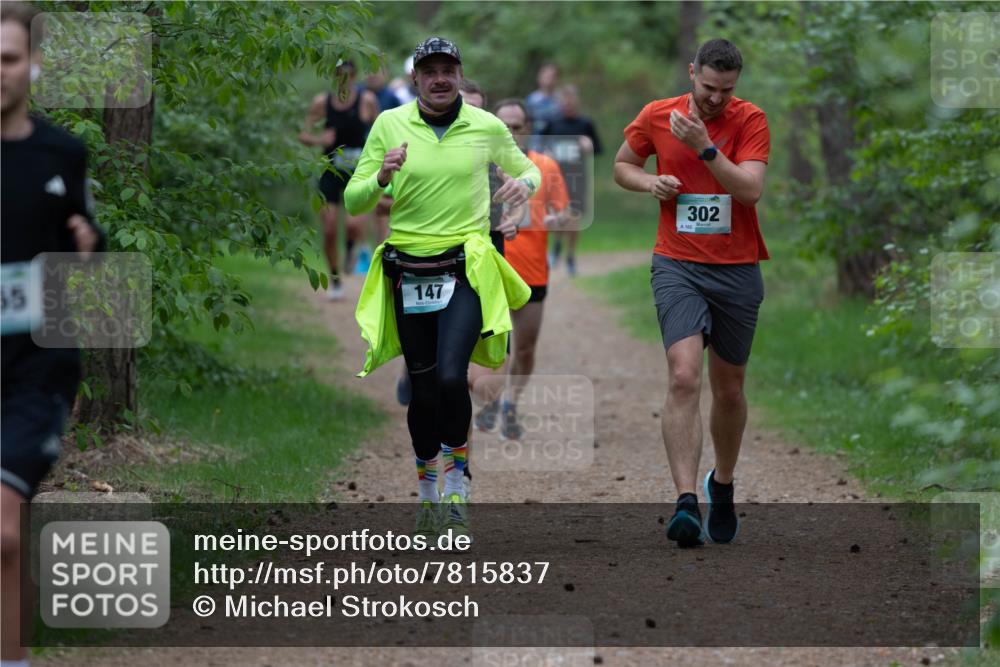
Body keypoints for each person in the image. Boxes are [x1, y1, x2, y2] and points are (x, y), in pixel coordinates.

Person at [346, 38, 540, 540]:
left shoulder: (486, 126)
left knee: (454, 377)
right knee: (424, 386)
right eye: (428, 71)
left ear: (459, 73)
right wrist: (381, 175)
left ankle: (457, 484)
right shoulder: (389, 124)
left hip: (464, 265)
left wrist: (526, 186)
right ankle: (428, 489)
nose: (439, 78)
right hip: (408, 270)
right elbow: (353, 200)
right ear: (415, 79)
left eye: (447, 69)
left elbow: (527, 168)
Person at [612, 38, 769, 548]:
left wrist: (705, 145)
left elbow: (748, 190)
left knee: (729, 390)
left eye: (726, 90)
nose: (717, 98)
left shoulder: (750, 120)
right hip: (677, 264)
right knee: (683, 376)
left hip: (737, 269)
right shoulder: (657, 115)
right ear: (691, 73)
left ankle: (721, 485)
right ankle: (685, 502)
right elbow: (622, 165)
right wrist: (648, 185)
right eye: (708, 87)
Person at [1, 3, 105, 664]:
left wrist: (91, 245)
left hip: (34, 367)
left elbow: (90, 245)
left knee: (3, 530)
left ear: (31, 66)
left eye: (7, 59)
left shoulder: (63, 152)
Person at [474, 99, 569, 440]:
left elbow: (565, 211)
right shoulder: (477, 167)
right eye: (505, 125)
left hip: (531, 271)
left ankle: (511, 403)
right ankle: (490, 401)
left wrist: (559, 219)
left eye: (517, 126)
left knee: (526, 347)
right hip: (491, 268)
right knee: (494, 345)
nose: (511, 132)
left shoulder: (545, 167)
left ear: (527, 128)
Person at [298, 60, 378, 300]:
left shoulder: (367, 101)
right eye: (340, 75)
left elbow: (383, 131)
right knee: (330, 228)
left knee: (354, 226)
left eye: (349, 75)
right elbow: (302, 132)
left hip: (359, 172)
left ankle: (351, 251)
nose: (345, 80)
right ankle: (335, 279)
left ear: (355, 77)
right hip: (330, 171)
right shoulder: (322, 103)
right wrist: (318, 139)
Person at [542, 84, 602, 277]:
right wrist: (546, 153)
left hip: (578, 178)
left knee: (574, 218)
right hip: (555, 178)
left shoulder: (585, 124)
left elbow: (598, 148)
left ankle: (570, 257)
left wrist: (589, 146)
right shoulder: (552, 123)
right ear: (560, 102)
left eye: (571, 101)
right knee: (558, 216)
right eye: (564, 101)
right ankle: (556, 247)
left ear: (577, 102)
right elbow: (539, 146)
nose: (568, 104)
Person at [523, 61, 560, 136]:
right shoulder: (531, 100)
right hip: (536, 142)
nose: (549, 79)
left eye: (552, 76)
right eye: (547, 76)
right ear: (539, 77)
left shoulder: (561, 100)